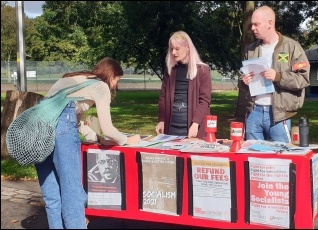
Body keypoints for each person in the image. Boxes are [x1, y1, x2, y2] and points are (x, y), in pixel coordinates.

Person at [34, 57, 140, 229]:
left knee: (52, 195)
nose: (115, 86)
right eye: (116, 80)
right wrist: (127, 140)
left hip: (39, 128)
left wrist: (96, 138)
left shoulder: (76, 78)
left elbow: (76, 121)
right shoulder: (100, 86)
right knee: (72, 192)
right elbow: (107, 128)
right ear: (111, 76)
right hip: (60, 126)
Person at [239, 6, 310, 143]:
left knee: (281, 157)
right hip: (254, 112)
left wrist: (278, 77)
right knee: (254, 158)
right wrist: (244, 81)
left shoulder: (292, 47)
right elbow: (241, 76)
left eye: (256, 24)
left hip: (278, 114)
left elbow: (303, 78)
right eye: (252, 24)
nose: (252, 28)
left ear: (270, 23)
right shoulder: (251, 50)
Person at [155, 30, 212, 139]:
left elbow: (204, 100)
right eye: (171, 49)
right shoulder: (170, 71)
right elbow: (163, 98)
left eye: (177, 49)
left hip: (193, 128)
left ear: (188, 48)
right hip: (171, 128)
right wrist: (162, 120)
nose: (173, 53)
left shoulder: (202, 70)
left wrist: (196, 123)